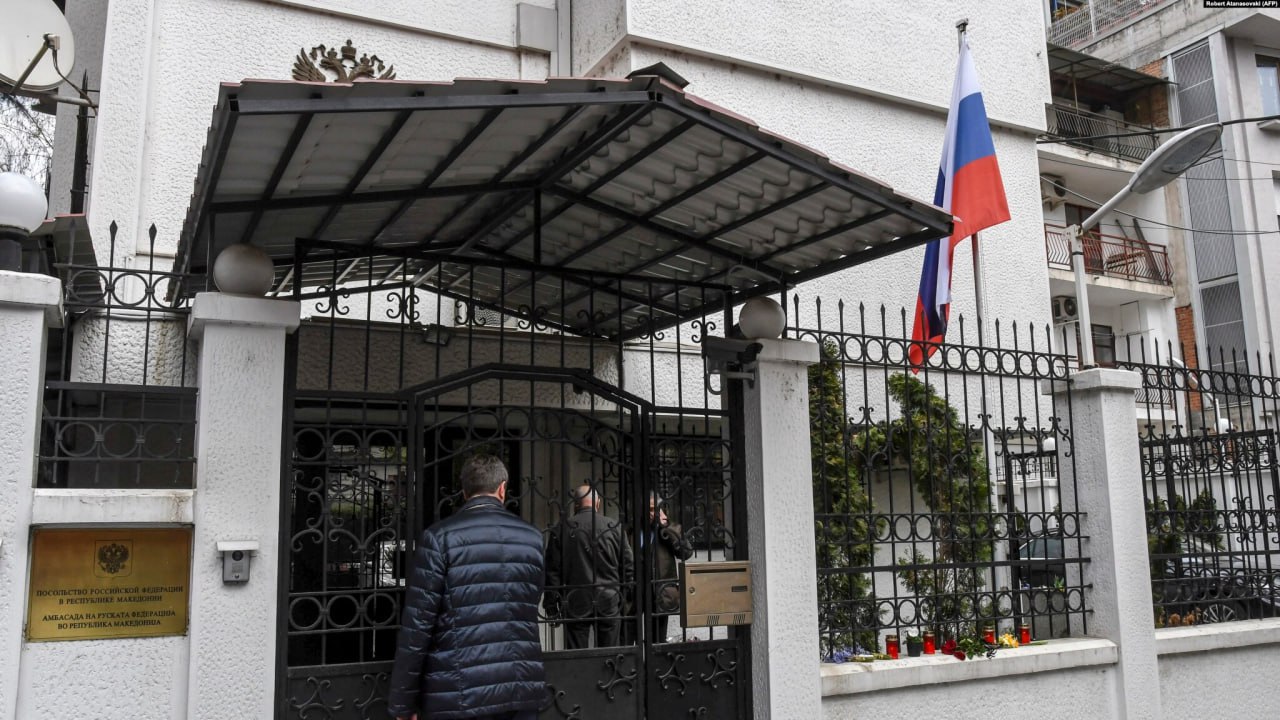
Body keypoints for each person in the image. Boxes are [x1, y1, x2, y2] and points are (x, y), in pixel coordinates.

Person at [387, 455, 545, 720]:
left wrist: (402, 702)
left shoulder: (439, 538)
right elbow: (531, 600)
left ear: (464, 491)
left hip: (458, 691)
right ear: (502, 488)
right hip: (520, 687)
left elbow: (418, 625)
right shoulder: (532, 537)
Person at [544, 484, 634, 649]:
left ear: (575, 504)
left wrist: (551, 604)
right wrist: (624, 597)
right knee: (610, 652)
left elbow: (553, 571)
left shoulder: (562, 529)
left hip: (575, 599)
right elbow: (628, 565)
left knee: (578, 653)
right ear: (598, 503)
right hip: (609, 598)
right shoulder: (613, 527)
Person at [645, 492, 693, 643]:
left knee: (657, 640)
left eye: (654, 509)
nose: (651, 513)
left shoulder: (669, 529)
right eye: (649, 509)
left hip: (660, 591)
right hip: (635, 593)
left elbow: (686, 553)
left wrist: (666, 526)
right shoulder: (632, 530)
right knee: (630, 637)